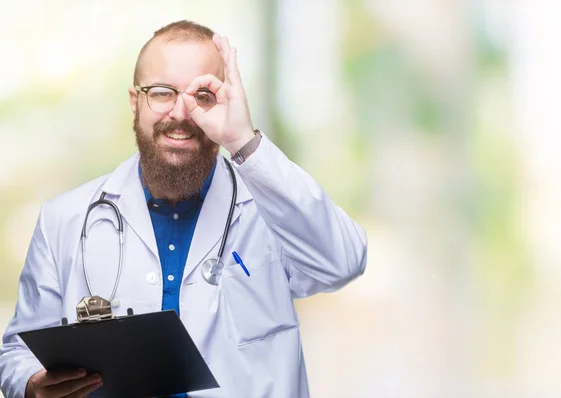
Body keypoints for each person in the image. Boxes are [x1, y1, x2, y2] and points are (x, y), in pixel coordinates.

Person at [0, 20, 367, 398]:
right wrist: (31, 386)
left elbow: (343, 262)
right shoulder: (64, 219)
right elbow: (16, 354)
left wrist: (243, 140)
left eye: (203, 95)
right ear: (135, 100)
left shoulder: (272, 208)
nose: (180, 113)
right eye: (161, 92)